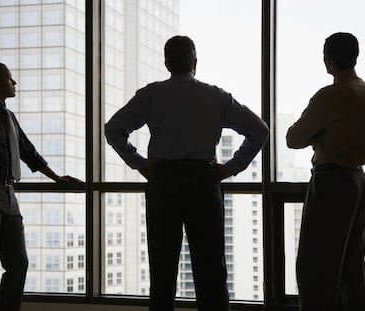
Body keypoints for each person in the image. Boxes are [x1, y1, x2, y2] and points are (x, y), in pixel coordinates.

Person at [105, 35, 269, 311]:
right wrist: (230, 168)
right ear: (195, 62)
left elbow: (113, 129)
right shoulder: (215, 96)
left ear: (167, 63)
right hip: (203, 181)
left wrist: (140, 163)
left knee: (163, 268)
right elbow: (259, 130)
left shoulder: (151, 95)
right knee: (211, 271)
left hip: (164, 181)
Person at [0, 62, 82, 311]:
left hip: (9, 193)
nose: (14, 83)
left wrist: (57, 178)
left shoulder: (9, 117)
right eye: (9, 79)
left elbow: (27, 151)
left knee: (18, 262)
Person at [287, 32, 365, 311]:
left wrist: (319, 135)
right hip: (360, 181)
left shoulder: (331, 95)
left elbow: (294, 138)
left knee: (315, 267)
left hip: (332, 181)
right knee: (352, 265)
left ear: (328, 60)